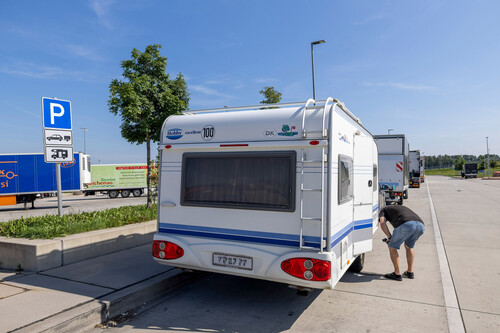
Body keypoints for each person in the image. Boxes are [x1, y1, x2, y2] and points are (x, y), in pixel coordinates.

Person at [379, 205, 425, 281]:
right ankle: (410, 272)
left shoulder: (383, 210)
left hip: (406, 224)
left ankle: (397, 273)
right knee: (409, 246)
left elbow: (382, 223)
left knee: (392, 247)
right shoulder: (398, 208)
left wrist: (389, 237)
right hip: (420, 226)